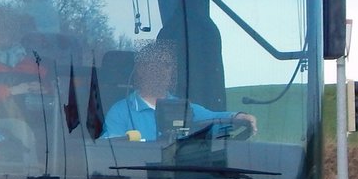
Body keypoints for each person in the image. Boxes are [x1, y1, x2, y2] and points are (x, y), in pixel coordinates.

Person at [101, 41, 256, 141]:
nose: (161, 71)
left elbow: (214, 120)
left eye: (167, 65)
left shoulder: (184, 109)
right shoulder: (120, 111)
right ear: (141, 69)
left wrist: (240, 117)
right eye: (155, 64)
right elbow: (109, 150)